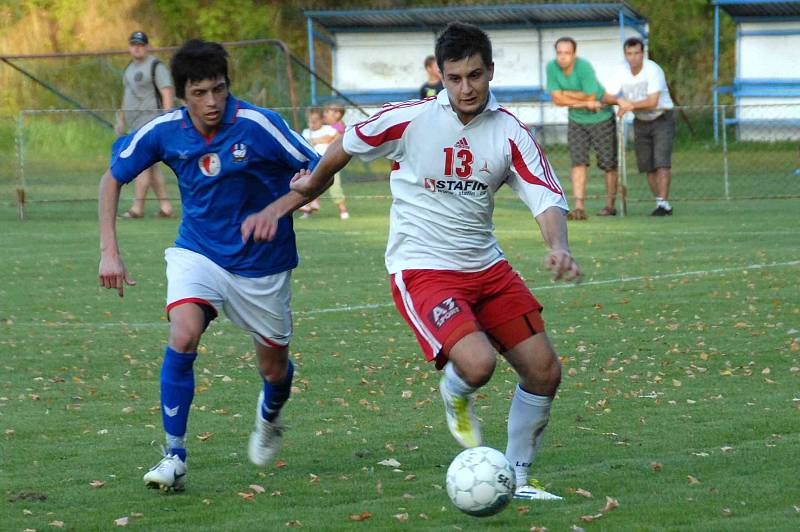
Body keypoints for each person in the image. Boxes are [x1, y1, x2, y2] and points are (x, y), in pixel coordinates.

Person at [290, 22, 582, 501]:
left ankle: (518, 477)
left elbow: (545, 196)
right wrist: (313, 182)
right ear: (441, 77)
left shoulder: (510, 132)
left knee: (545, 370)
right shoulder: (411, 118)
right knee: (478, 364)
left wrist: (559, 245)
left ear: (491, 71)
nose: (466, 88)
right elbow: (347, 143)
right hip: (423, 266)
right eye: (455, 78)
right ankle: (455, 391)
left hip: (486, 267)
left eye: (474, 76)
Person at [98, 39, 320, 491]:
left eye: (218, 89)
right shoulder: (165, 130)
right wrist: (109, 250)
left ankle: (271, 414)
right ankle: (173, 456)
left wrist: (280, 207)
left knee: (274, 369)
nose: (212, 101)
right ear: (182, 95)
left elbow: (318, 169)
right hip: (198, 252)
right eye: (200, 93)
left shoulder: (259, 124)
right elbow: (112, 176)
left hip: (263, 265)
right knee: (182, 333)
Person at [546, 37, 619, 219]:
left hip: (601, 117)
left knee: (608, 163)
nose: (562, 57)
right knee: (578, 162)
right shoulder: (551, 67)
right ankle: (579, 207)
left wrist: (567, 95)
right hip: (576, 119)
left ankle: (610, 205)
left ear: (574, 55)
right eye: (559, 53)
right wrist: (582, 101)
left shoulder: (584, 67)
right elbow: (557, 99)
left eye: (567, 53)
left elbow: (592, 95)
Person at [612, 37, 676, 216]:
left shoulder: (653, 70)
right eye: (629, 54)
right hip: (640, 121)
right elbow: (607, 94)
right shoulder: (621, 71)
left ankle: (663, 203)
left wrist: (628, 105)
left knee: (662, 162)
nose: (633, 57)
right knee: (648, 166)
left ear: (643, 53)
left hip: (661, 117)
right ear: (625, 55)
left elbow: (653, 100)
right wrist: (618, 100)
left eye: (637, 53)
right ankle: (660, 202)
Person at [115, 31, 175, 219]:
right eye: (133, 44)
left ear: (147, 46)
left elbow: (167, 93)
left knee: (142, 165)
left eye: (140, 44)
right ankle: (166, 207)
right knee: (152, 167)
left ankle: (137, 208)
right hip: (134, 124)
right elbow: (126, 97)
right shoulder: (129, 68)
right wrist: (121, 120)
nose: (137, 47)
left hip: (150, 123)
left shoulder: (156, 66)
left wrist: (167, 120)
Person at [320, 102, 351, 219]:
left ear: (337, 114)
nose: (324, 114)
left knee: (334, 186)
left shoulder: (339, 127)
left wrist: (317, 140)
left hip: (333, 162)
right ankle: (309, 209)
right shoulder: (325, 128)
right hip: (324, 160)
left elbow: (331, 140)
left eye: (328, 112)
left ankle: (343, 211)